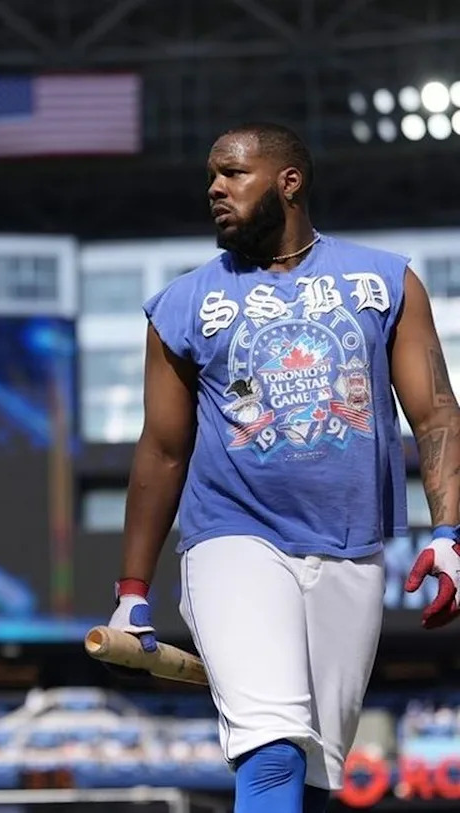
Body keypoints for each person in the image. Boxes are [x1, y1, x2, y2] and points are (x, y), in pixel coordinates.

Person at [105, 121, 460, 813]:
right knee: (271, 751)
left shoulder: (382, 283)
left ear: (288, 182)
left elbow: (438, 415)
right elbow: (163, 449)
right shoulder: (182, 305)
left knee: (316, 782)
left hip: (350, 548)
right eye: (211, 174)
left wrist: (449, 534)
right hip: (232, 538)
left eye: (233, 172)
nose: (214, 187)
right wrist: (132, 585)